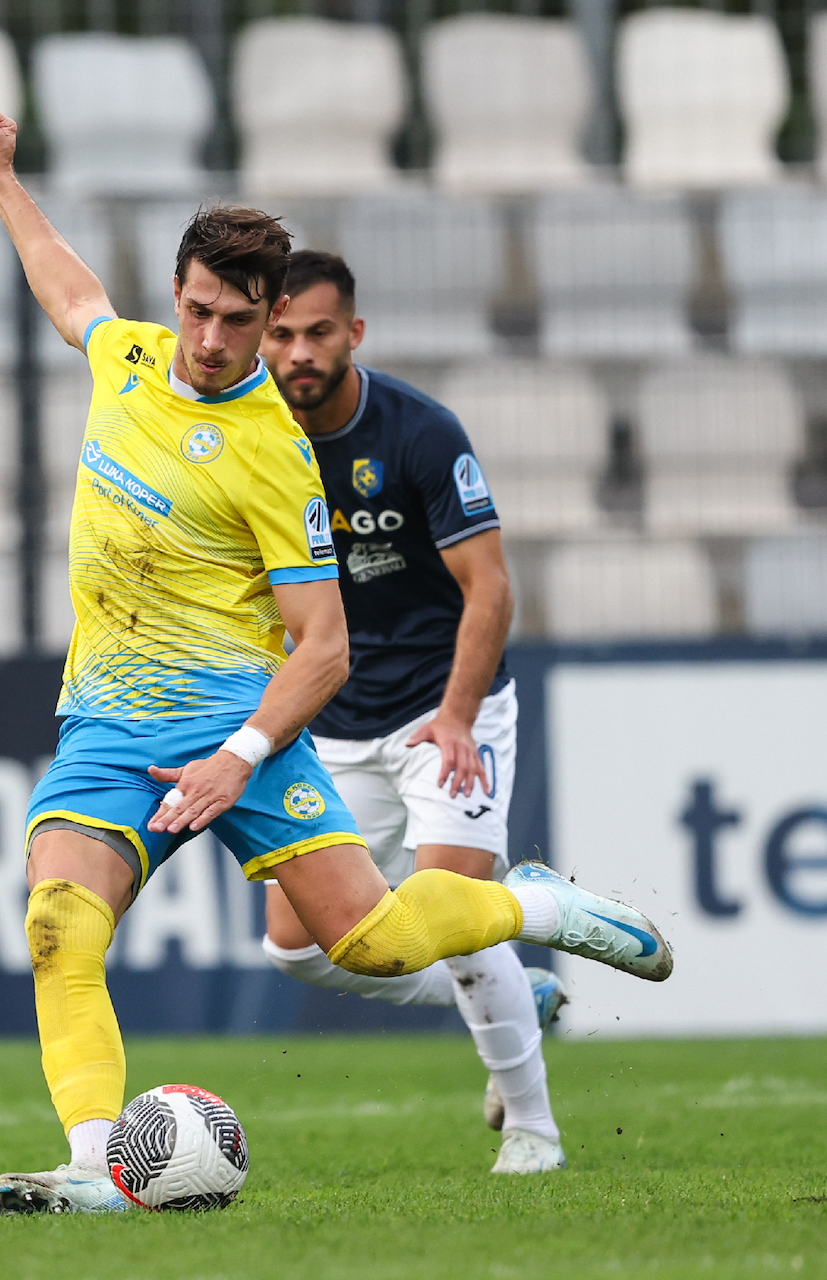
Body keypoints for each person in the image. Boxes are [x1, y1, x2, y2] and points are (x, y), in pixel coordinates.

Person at [0, 107, 674, 1216]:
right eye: (199, 309)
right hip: (106, 720)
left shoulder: (275, 453)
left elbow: (325, 648)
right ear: (178, 292)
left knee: (372, 943)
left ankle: (525, 907)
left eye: (238, 322)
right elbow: (68, 288)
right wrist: (1, 181)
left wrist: (238, 756)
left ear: (268, 321)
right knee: (59, 923)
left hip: (235, 722)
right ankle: (97, 1167)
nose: (211, 339)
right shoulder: (129, 356)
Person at [255, 251, 566, 1175]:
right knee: (296, 949)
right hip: (335, 719)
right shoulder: (253, 439)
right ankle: (515, 994)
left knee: (452, 915)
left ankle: (534, 1130)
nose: (298, 353)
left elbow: (490, 587)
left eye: (318, 332)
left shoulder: (421, 432)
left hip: (443, 710)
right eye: (281, 334)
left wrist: (458, 718)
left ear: (354, 333)